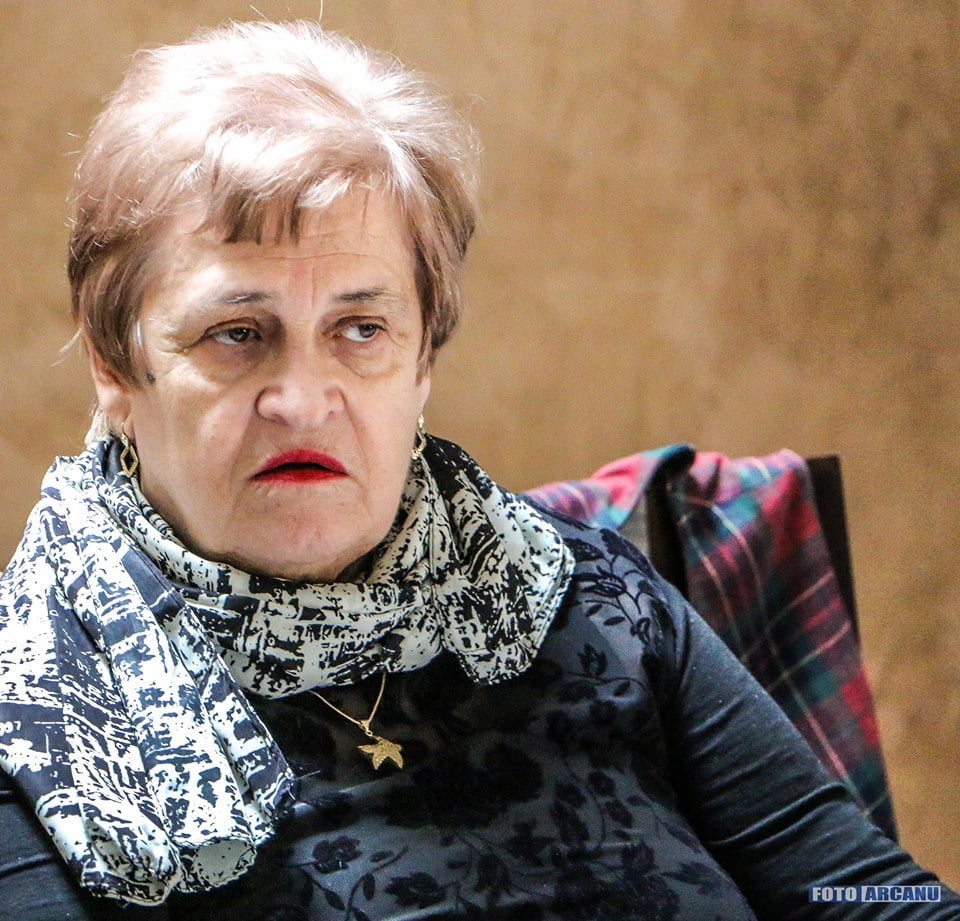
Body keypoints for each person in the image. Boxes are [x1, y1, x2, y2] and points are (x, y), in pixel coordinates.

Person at [0, 19, 956, 921]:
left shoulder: (591, 596)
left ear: (423, 359)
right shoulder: (39, 715)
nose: (303, 398)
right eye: (238, 333)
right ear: (115, 366)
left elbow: (865, 898)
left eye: (360, 328)